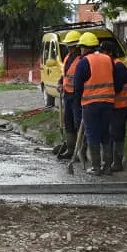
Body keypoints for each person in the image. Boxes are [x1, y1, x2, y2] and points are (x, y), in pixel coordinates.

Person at [72, 31, 115, 176]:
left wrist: (78, 105)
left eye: (81, 48)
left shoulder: (83, 62)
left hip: (90, 104)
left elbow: (77, 86)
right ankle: (107, 167)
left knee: (92, 134)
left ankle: (96, 167)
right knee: (105, 134)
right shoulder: (107, 59)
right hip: (108, 102)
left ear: (84, 47)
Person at [101, 39, 127, 173]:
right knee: (109, 133)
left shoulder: (119, 67)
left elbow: (117, 88)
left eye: (104, 52)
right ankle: (109, 161)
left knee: (117, 134)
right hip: (110, 106)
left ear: (110, 53)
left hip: (120, 106)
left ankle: (117, 162)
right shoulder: (109, 66)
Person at [55, 29, 84, 160]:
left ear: (76, 46)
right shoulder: (68, 57)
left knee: (78, 122)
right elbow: (65, 74)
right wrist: (60, 82)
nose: (68, 48)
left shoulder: (82, 60)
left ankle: (80, 151)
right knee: (68, 121)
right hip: (67, 94)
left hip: (77, 96)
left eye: (70, 46)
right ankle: (71, 149)